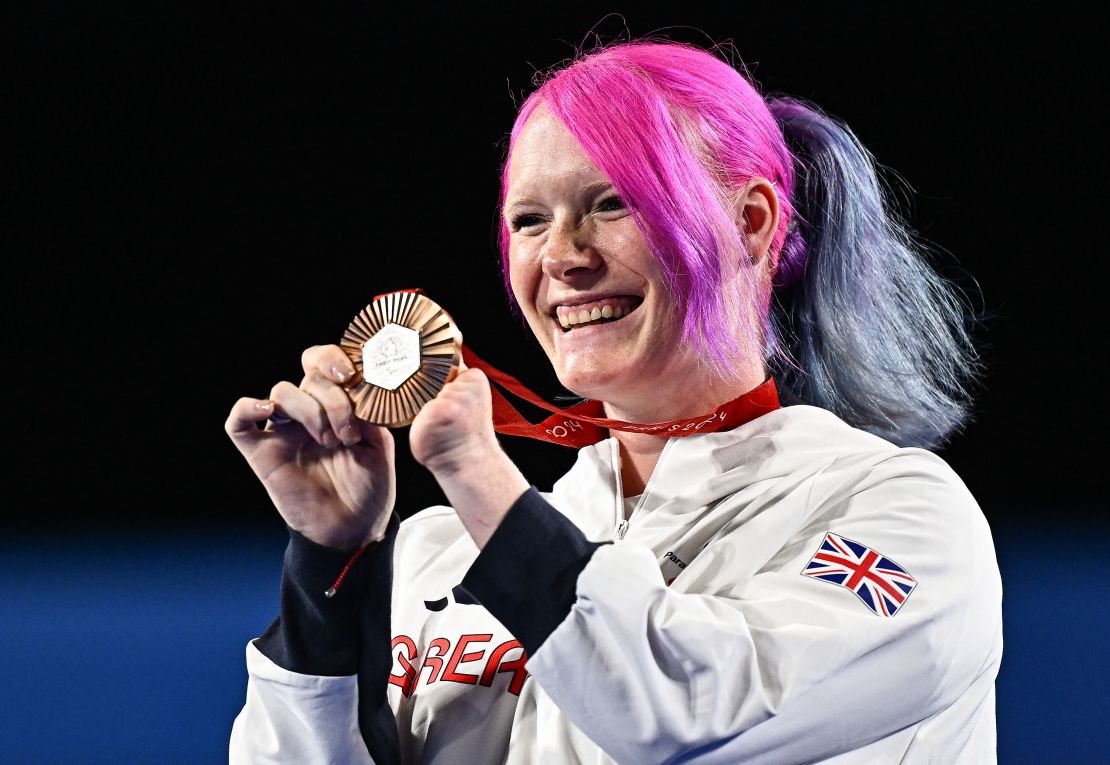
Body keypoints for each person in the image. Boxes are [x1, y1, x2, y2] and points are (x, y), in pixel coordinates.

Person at [226, 39, 1002, 764]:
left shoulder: (901, 519)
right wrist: (333, 567)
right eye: (530, 221)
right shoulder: (437, 557)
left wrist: (478, 480)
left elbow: (678, 712)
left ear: (751, 221)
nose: (562, 256)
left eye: (613, 203)